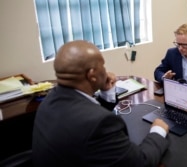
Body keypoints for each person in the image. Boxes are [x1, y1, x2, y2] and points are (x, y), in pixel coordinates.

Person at [32, 40, 169, 167]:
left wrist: (106, 92)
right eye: (102, 66)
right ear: (91, 75)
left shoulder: (49, 100)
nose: (106, 70)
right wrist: (158, 131)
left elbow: (85, 113)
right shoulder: (101, 124)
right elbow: (141, 163)